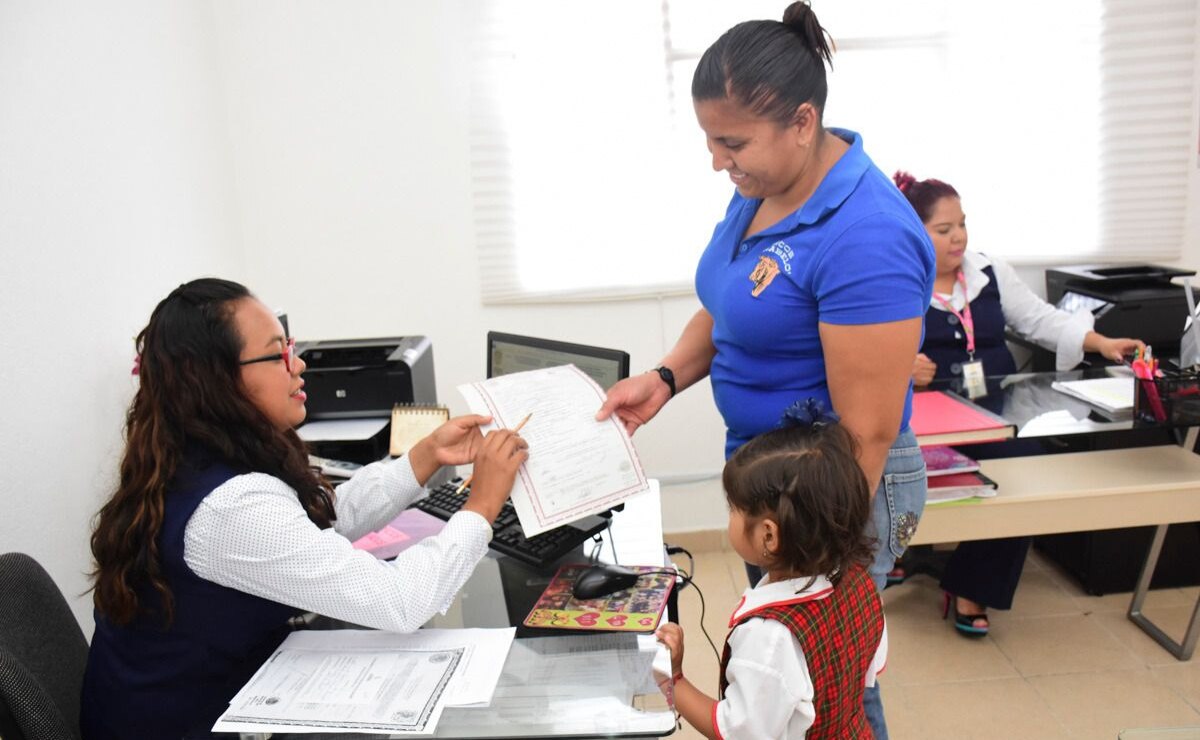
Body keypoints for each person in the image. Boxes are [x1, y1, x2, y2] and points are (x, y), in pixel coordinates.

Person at [597, 5, 933, 737]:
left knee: (826, 675)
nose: (719, 160)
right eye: (712, 141)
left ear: (803, 121)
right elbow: (728, 306)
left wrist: (812, 564)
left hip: (838, 494)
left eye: (732, 142)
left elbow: (868, 434)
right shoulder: (763, 188)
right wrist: (663, 377)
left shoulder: (866, 234)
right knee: (792, 678)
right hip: (774, 482)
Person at [80, 278, 528, 739]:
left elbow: (317, 523)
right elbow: (400, 602)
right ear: (215, 380)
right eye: (276, 355)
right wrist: (482, 505)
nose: (298, 365)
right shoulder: (229, 509)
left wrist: (424, 456)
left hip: (211, 696)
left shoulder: (195, 455)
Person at [893, 171, 1144, 636]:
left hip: (995, 413)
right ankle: (904, 552)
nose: (959, 238)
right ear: (914, 232)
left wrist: (1100, 342)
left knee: (1030, 473)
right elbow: (862, 349)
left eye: (963, 224)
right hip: (930, 423)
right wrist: (900, 365)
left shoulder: (989, 272)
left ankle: (971, 583)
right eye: (944, 229)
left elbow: (1040, 320)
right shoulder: (896, 280)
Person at [656, 401, 887, 739]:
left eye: (733, 508)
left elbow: (736, 732)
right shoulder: (858, 579)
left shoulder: (769, 636)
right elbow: (868, 670)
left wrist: (674, 680)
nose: (730, 516)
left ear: (768, 535)